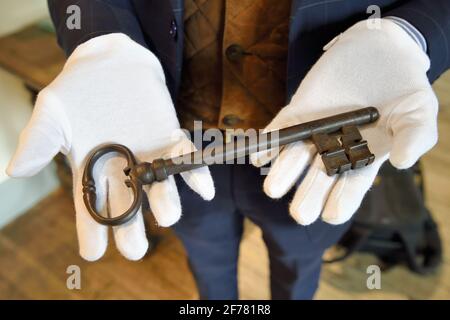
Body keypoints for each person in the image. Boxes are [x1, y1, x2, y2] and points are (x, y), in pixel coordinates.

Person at [6, 0, 450, 299]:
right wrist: (100, 37)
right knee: (208, 263)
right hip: (170, 132)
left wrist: (407, 34)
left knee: (298, 262)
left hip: (309, 148)